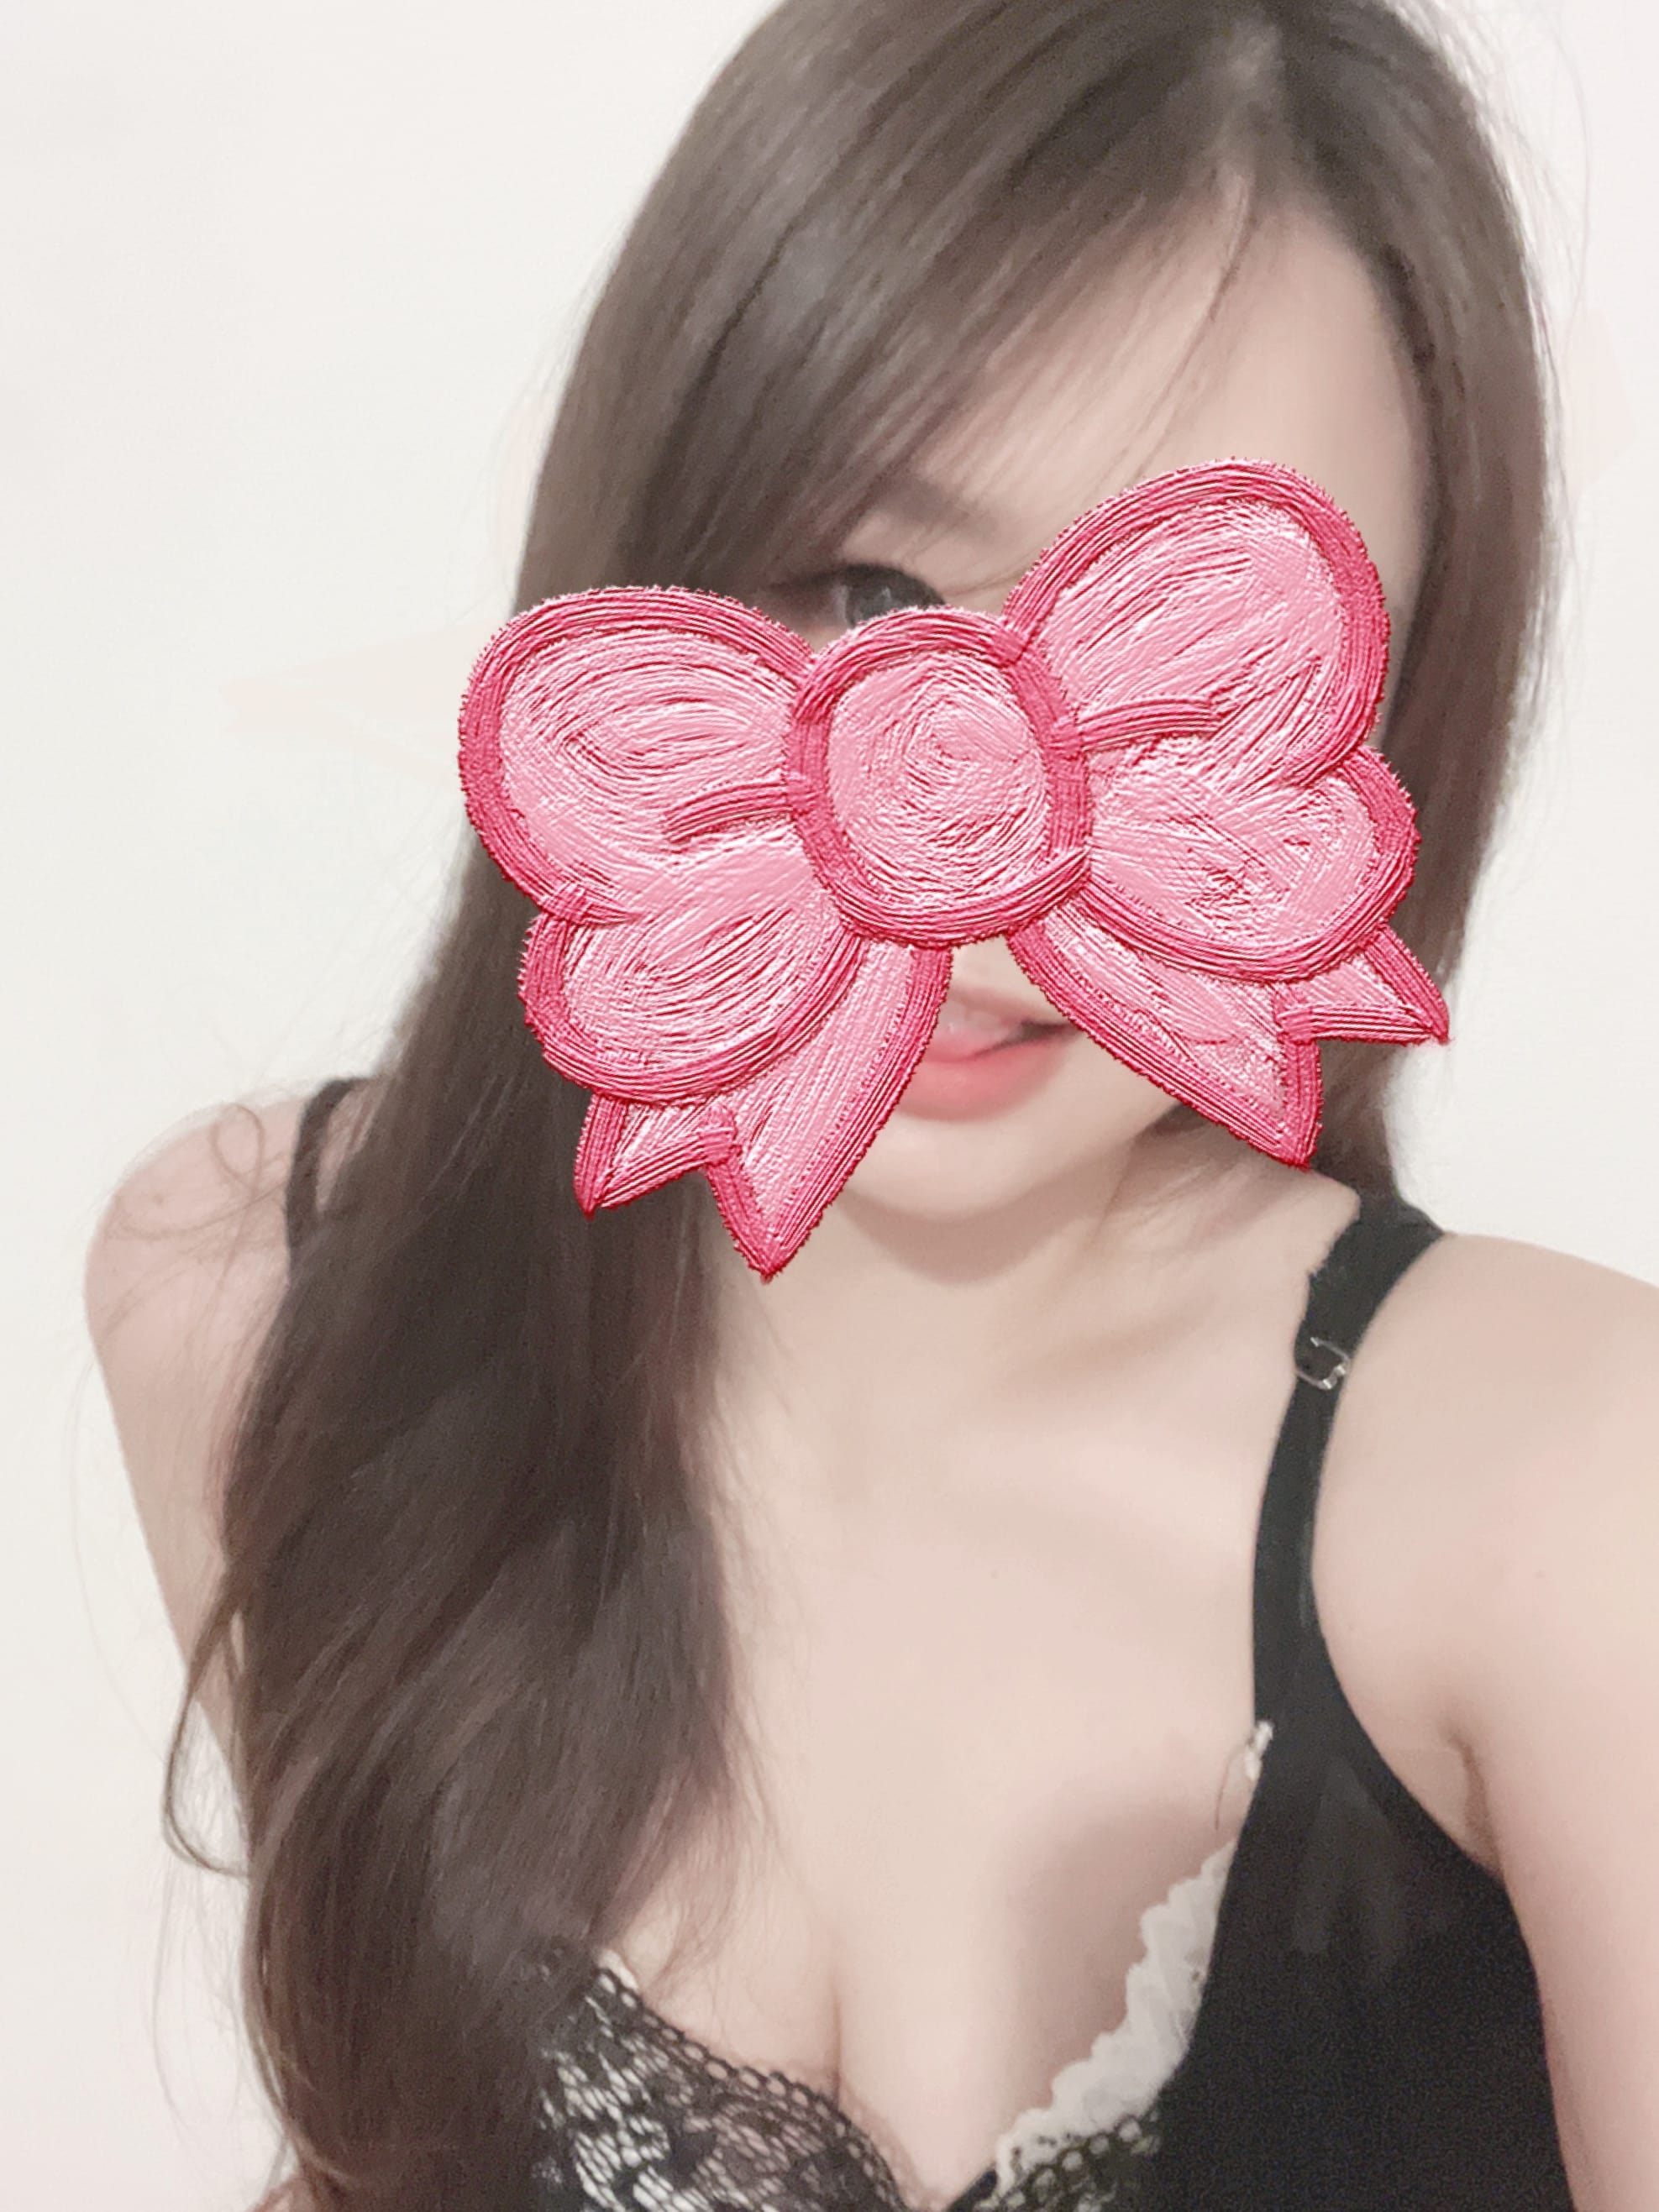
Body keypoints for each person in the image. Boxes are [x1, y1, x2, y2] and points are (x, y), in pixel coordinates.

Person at [85, 2, 1659, 2209]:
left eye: (1191, 669)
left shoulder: (1571, 1497)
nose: (975, 858)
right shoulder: (257, 1306)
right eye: (864, 593)